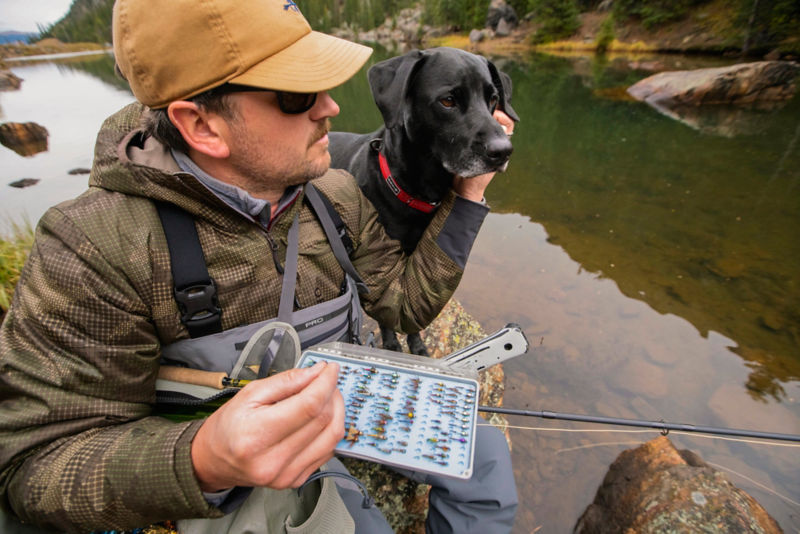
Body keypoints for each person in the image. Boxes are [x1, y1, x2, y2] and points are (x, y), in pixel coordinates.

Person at [0, 0, 517, 533]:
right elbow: (32, 464)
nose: (331, 108)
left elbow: (404, 306)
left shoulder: (333, 192)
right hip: (244, 470)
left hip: (344, 398)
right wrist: (202, 459)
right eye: (297, 94)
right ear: (202, 125)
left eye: (323, 81)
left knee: (483, 457)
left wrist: (469, 195)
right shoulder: (93, 246)